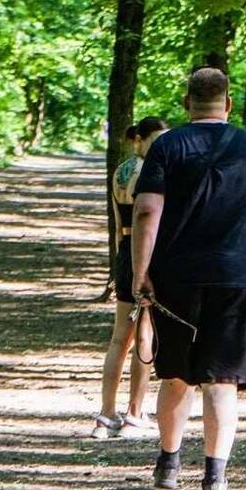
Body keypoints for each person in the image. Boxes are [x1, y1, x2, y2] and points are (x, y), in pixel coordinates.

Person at [131, 67, 246, 490]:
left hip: (176, 275)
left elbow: (146, 212)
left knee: (176, 374)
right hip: (236, 277)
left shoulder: (167, 145)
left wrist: (141, 273)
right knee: (222, 381)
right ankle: (215, 479)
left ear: (186, 103)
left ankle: (168, 464)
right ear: (228, 103)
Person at [92, 118, 169, 439]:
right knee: (144, 338)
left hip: (124, 253)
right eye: (158, 139)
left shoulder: (119, 172)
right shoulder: (152, 172)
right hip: (145, 255)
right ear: (141, 140)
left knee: (118, 339)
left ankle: (106, 415)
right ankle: (135, 414)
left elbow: (116, 221)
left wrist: (118, 266)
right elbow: (149, 216)